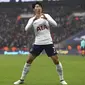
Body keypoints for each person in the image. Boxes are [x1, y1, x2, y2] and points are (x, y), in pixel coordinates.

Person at [14, 2, 67, 85]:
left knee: (55, 60)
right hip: (38, 43)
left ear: (41, 8)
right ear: (34, 9)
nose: (38, 8)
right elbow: (26, 29)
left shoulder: (47, 16)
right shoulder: (32, 19)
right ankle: (21, 79)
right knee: (29, 60)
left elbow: (55, 24)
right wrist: (33, 20)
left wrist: (47, 18)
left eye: (39, 6)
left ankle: (62, 79)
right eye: (36, 7)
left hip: (48, 42)